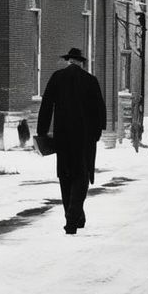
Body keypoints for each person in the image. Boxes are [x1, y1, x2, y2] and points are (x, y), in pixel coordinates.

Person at [37, 47, 107, 234]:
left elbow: (46, 106)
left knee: (65, 175)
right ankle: (73, 216)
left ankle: (74, 215)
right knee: (81, 176)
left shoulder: (57, 77)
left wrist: (42, 132)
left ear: (69, 60)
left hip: (63, 136)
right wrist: (97, 133)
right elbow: (100, 109)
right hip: (85, 138)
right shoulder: (91, 81)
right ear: (81, 62)